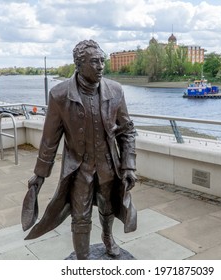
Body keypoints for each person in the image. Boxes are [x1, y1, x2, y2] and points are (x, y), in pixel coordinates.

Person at [23, 39, 137, 260]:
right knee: (80, 216)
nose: (101, 66)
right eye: (95, 62)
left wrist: (129, 166)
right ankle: (82, 259)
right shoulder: (59, 95)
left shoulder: (115, 90)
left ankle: (108, 237)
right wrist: (39, 176)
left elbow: (127, 131)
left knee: (108, 206)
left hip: (108, 165)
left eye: (102, 60)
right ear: (79, 64)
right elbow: (49, 140)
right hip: (78, 169)